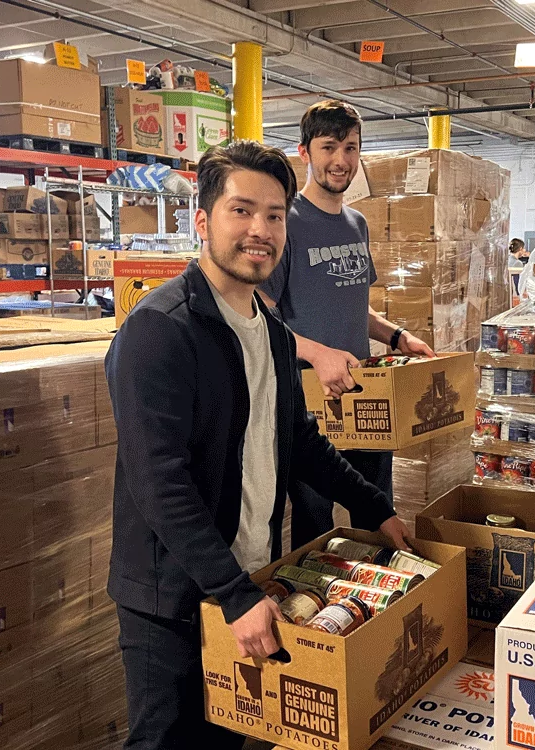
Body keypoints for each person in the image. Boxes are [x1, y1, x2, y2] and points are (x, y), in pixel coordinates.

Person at [104, 139, 411, 750]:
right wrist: (234, 593)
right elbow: (159, 482)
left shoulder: (270, 331)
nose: (260, 230)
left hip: (249, 576)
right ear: (202, 220)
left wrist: (376, 508)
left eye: (274, 215)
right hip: (176, 597)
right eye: (241, 211)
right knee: (170, 742)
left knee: (228, 741)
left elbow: (299, 441)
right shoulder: (160, 332)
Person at [259, 99, 434, 548]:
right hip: (310, 400)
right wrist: (317, 353)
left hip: (365, 392)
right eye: (329, 147)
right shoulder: (286, 223)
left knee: (376, 506)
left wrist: (398, 337)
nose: (341, 160)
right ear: (305, 153)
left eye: (351, 148)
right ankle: (317, 611)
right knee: (316, 517)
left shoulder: (356, 222)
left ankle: (380, 605)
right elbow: (259, 319)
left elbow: (355, 305)